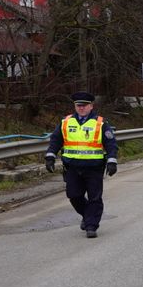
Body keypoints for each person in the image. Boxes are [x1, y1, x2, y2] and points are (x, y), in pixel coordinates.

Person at [45, 91, 118, 238]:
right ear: (75, 106)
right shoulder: (66, 122)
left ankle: (91, 226)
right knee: (74, 195)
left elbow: (111, 144)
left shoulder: (100, 123)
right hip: (72, 167)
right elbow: (55, 140)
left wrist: (111, 161)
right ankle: (87, 215)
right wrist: (50, 157)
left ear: (91, 106)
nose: (81, 108)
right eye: (78, 106)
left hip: (94, 167)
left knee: (94, 198)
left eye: (84, 106)